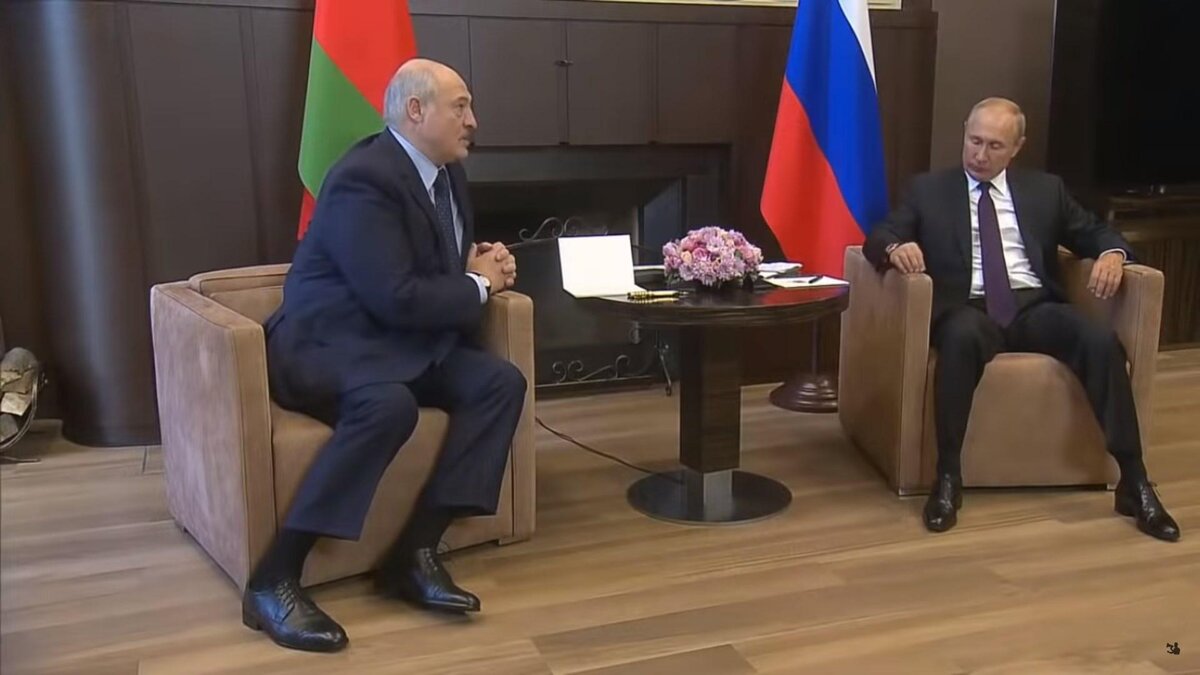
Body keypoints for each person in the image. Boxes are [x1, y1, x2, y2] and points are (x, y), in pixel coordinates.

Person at [243, 59, 526, 652]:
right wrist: (478, 285)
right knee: (388, 406)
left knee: (499, 383)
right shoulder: (364, 178)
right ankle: (273, 580)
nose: (473, 121)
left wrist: (478, 265)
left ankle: (414, 554)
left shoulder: (447, 175)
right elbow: (393, 295)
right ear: (415, 111)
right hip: (328, 344)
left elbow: (426, 267)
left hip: (398, 342)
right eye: (460, 106)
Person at [863, 97, 1180, 542]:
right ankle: (947, 478)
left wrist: (1112, 253)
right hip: (967, 308)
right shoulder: (929, 190)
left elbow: (1093, 231)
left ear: (1017, 147)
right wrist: (896, 247)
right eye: (974, 141)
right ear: (964, 133)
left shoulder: (1044, 190)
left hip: (1033, 306)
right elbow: (879, 234)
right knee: (959, 338)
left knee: (1099, 340)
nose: (980, 154)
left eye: (994, 145)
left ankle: (1135, 481)